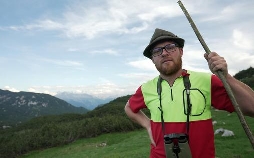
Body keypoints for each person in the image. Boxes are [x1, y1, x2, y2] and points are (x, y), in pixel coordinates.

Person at [124, 28, 254, 158]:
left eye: (170, 47)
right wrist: (148, 125)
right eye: (157, 51)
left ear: (181, 51)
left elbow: (251, 107)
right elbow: (129, 108)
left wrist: (226, 77)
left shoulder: (206, 81)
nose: (164, 53)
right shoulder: (146, 88)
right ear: (152, 59)